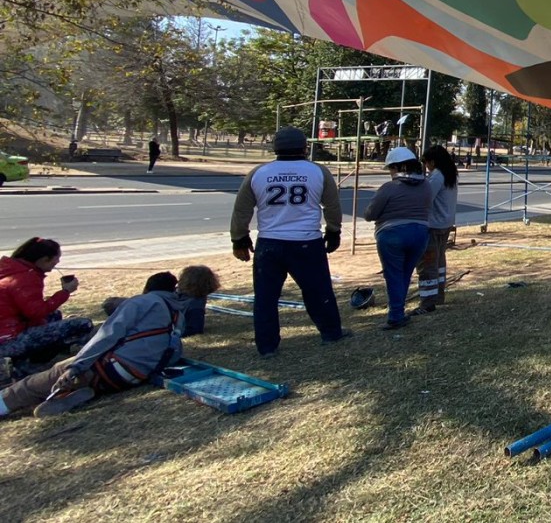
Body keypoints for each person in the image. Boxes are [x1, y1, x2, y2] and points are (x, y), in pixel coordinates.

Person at [0, 265, 220, 418]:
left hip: (110, 368)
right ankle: (76, 393)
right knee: (72, 378)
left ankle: (6, 402)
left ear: (180, 282)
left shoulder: (146, 302)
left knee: (48, 376)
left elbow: (107, 335)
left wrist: (76, 366)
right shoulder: (179, 316)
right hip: (135, 376)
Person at [229, 127, 351, 356]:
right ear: (305, 147)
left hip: (269, 243)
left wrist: (239, 239)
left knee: (265, 298)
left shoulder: (259, 173)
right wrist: (334, 231)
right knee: (318, 291)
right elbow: (332, 206)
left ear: (275, 148)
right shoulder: (317, 172)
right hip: (307, 242)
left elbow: (242, 209)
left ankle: (267, 346)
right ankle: (331, 332)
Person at [0, 238, 93, 376]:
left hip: (7, 331)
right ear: (44, 259)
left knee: (55, 315)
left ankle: (28, 359)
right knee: (83, 324)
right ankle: (83, 360)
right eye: (55, 260)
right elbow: (36, 312)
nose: (57, 263)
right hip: (10, 340)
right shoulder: (25, 278)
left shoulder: (10, 269)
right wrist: (65, 292)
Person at [364, 147, 431, 330]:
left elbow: (370, 214)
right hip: (420, 233)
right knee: (405, 274)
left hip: (392, 234)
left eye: (391, 168)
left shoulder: (389, 188)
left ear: (396, 167)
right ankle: (398, 313)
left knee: (393, 275)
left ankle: (396, 316)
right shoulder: (426, 186)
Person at [413, 146, 459, 315]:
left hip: (433, 225)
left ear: (432, 161)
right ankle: (438, 295)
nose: (426, 166)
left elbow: (426, 198)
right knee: (439, 261)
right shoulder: (450, 173)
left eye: (426, 163)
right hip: (446, 223)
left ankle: (428, 302)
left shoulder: (437, 176)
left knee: (428, 264)